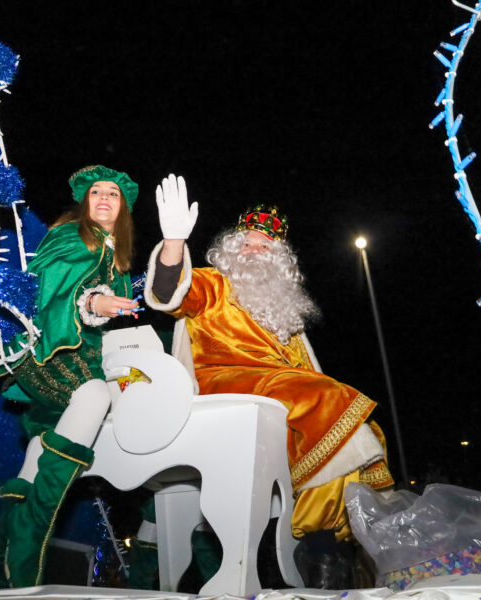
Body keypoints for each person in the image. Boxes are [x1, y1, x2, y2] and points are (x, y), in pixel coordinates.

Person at [144, 174, 394, 589]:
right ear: (229, 252)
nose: (253, 252)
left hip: (285, 395)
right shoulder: (213, 283)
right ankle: (320, 548)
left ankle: (325, 550)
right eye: (246, 244)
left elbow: (307, 375)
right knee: (331, 399)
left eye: (264, 247)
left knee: (353, 427)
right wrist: (173, 243)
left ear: (281, 261)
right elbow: (168, 293)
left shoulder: (284, 312)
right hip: (224, 385)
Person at [0, 165, 140, 589]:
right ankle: (32, 535)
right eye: (96, 193)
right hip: (51, 349)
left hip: (82, 355)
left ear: (123, 209)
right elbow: (49, 288)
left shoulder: (114, 254)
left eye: (114, 195)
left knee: (41, 443)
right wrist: (94, 302)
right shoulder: (70, 237)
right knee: (93, 396)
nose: (104, 199)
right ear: (84, 203)